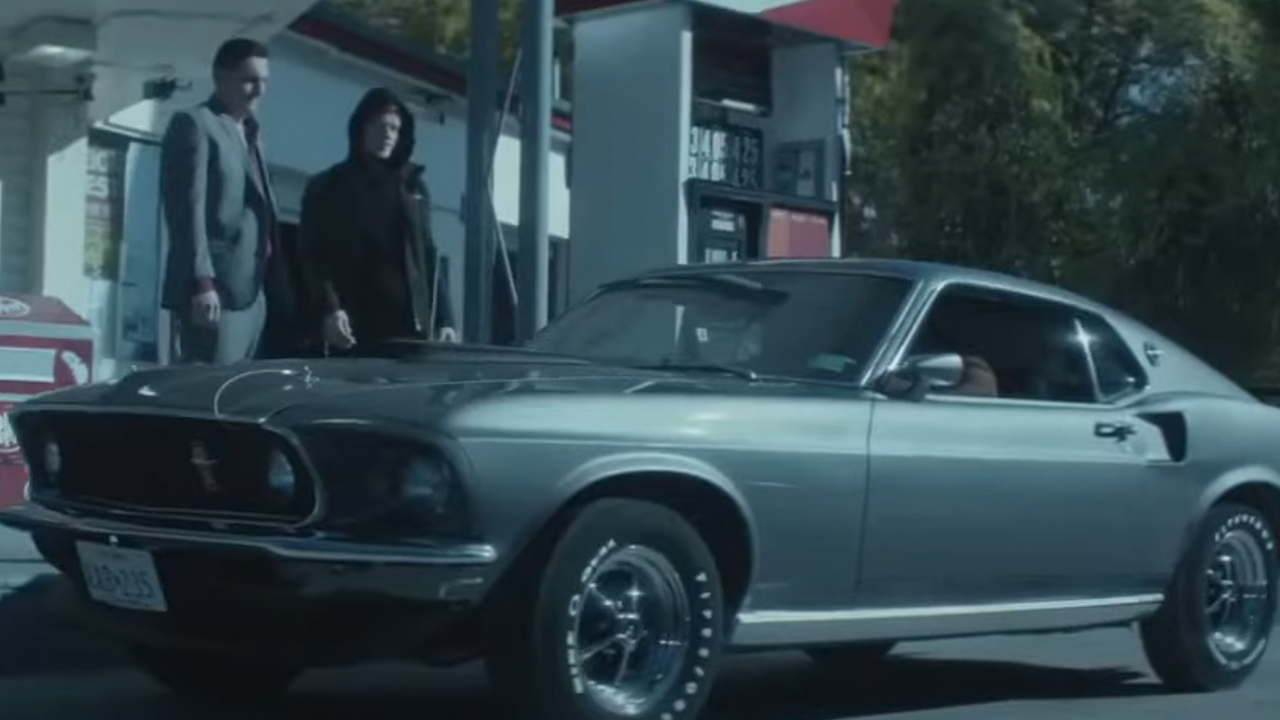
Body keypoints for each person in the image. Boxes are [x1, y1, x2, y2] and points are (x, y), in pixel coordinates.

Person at [160, 37, 294, 364]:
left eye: (264, 82)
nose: (259, 90)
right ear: (221, 77)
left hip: (252, 292)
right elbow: (186, 211)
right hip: (214, 291)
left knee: (239, 394)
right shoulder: (195, 124)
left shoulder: (253, 135)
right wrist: (201, 281)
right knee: (207, 395)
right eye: (249, 80)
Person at [297, 87, 458, 352]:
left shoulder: (413, 189)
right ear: (361, 128)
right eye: (380, 126)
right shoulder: (328, 188)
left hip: (409, 328)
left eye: (395, 128)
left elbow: (428, 257)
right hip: (353, 325)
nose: (388, 135)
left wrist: (445, 319)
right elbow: (313, 257)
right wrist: (329, 309)